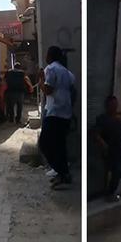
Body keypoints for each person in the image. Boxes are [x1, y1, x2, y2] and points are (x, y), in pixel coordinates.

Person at [38, 46, 76, 189]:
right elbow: (72, 90)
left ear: (50, 56)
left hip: (54, 113)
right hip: (65, 114)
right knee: (60, 145)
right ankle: (64, 174)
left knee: (45, 144)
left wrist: (41, 79)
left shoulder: (51, 69)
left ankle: (61, 171)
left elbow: (48, 90)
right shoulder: (68, 73)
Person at [94, 95, 121, 200]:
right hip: (111, 150)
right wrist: (103, 144)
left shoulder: (120, 116)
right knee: (116, 172)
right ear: (107, 106)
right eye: (112, 105)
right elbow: (96, 134)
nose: (114, 107)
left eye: (115, 105)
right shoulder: (102, 118)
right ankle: (110, 193)